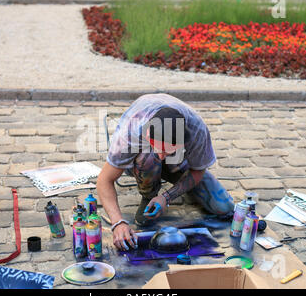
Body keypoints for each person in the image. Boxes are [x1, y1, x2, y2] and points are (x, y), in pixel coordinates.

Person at [97, 94, 235, 251]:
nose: (162, 156)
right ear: (148, 133)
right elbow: (104, 180)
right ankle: (148, 196)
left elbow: (198, 170)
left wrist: (166, 197)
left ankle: (173, 185)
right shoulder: (131, 131)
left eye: (168, 150)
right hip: (142, 161)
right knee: (150, 157)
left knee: (225, 207)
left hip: (178, 163)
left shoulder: (197, 130)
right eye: (160, 148)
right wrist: (118, 222)